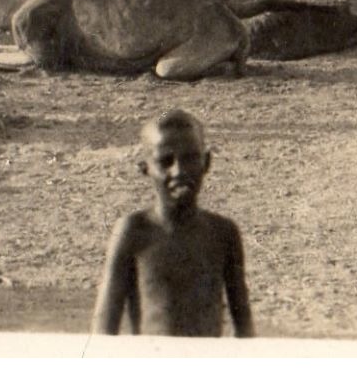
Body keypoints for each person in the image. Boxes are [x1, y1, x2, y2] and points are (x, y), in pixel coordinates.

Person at [92, 110, 253, 338]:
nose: (179, 171)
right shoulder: (133, 231)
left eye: (190, 158)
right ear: (145, 167)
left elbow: (245, 328)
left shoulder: (223, 233)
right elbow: (104, 329)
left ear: (206, 162)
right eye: (165, 161)